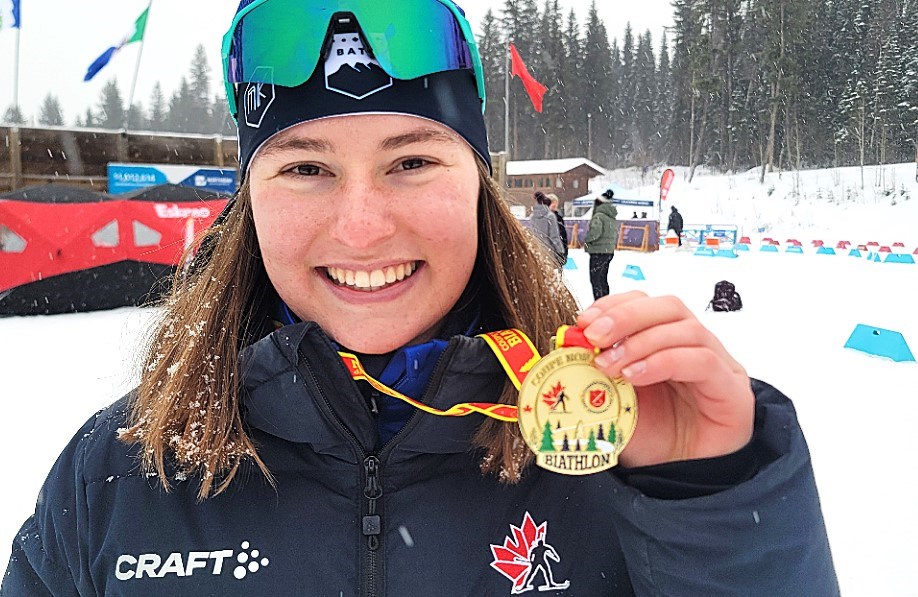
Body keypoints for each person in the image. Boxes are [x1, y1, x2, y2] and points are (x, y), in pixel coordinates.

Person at [2, 2, 838, 596]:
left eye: (411, 161)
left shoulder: (620, 444)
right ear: (247, 198)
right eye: (305, 167)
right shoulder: (117, 472)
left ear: (479, 186)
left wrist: (714, 495)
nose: (362, 228)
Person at [584, 189, 619, 300]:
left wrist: (587, 240)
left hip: (597, 251)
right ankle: (605, 302)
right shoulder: (611, 216)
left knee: (595, 280)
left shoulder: (598, 216)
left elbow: (595, 233)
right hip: (608, 251)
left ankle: (599, 303)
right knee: (603, 279)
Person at [529, 191, 565, 267]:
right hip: (549, 251)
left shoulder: (532, 216)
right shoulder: (550, 216)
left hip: (536, 251)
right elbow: (554, 236)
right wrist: (560, 251)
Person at [547, 193, 568, 265]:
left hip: (559, 252)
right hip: (549, 252)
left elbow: (563, 236)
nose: (554, 205)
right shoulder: (544, 217)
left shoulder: (559, 218)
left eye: (556, 203)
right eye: (552, 203)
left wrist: (564, 252)